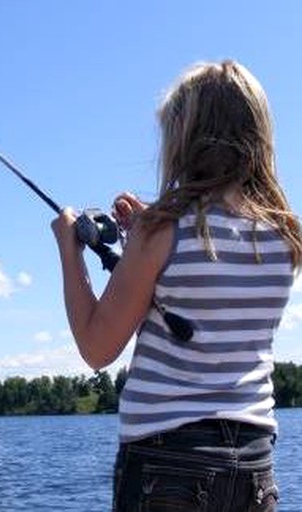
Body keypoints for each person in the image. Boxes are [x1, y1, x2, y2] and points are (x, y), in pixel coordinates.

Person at [51, 60, 302, 511]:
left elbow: (97, 347)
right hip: (254, 466)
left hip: (166, 464)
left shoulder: (160, 232)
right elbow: (212, 274)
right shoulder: (284, 239)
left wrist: (70, 252)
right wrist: (148, 234)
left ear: (184, 138)